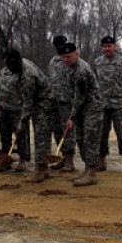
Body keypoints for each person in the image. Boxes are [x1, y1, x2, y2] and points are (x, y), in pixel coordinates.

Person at [4, 49, 54, 182]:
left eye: (13, 66)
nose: (10, 69)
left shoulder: (27, 77)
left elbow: (27, 105)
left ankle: (39, 170)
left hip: (44, 104)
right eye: (8, 66)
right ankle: (44, 169)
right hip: (40, 101)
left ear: (19, 61)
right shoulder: (23, 64)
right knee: (42, 136)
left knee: (40, 137)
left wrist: (21, 126)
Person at [60, 42, 104, 186]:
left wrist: (71, 117)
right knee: (80, 138)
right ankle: (87, 169)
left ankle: (91, 172)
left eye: (69, 56)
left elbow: (80, 96)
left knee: (90, 139)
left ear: (77, 54)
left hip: (92, 108)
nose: (65, 60)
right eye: (63, 57)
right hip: (82, 109)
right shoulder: (70, 67)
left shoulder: (81, 71)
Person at [93, 35, 122, 173]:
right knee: (101, 134)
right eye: (104, 46)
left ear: (115, 47)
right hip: (102, 105)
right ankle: (102, 160)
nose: (107, 49)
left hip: (119, 104)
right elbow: (95, 83)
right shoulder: (97, 62)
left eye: (109, 46)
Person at [0, 54, 29, 172]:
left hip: (17, 110)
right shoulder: (2, 72)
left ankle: (22, 160)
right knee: (4, 135)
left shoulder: (21, 72)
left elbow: (26, 92)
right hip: (3, 109)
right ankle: (5, 159)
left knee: (20, 136)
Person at [48, 35, 77, 172]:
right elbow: (50, 79)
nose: (59, 47)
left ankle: (70, 160)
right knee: (57, 129)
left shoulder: (72, 60)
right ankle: (63, 158)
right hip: (54, 100)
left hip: (67, 101)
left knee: (68, 131)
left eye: (61, 44)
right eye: (57, 45)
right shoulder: (53, 61)